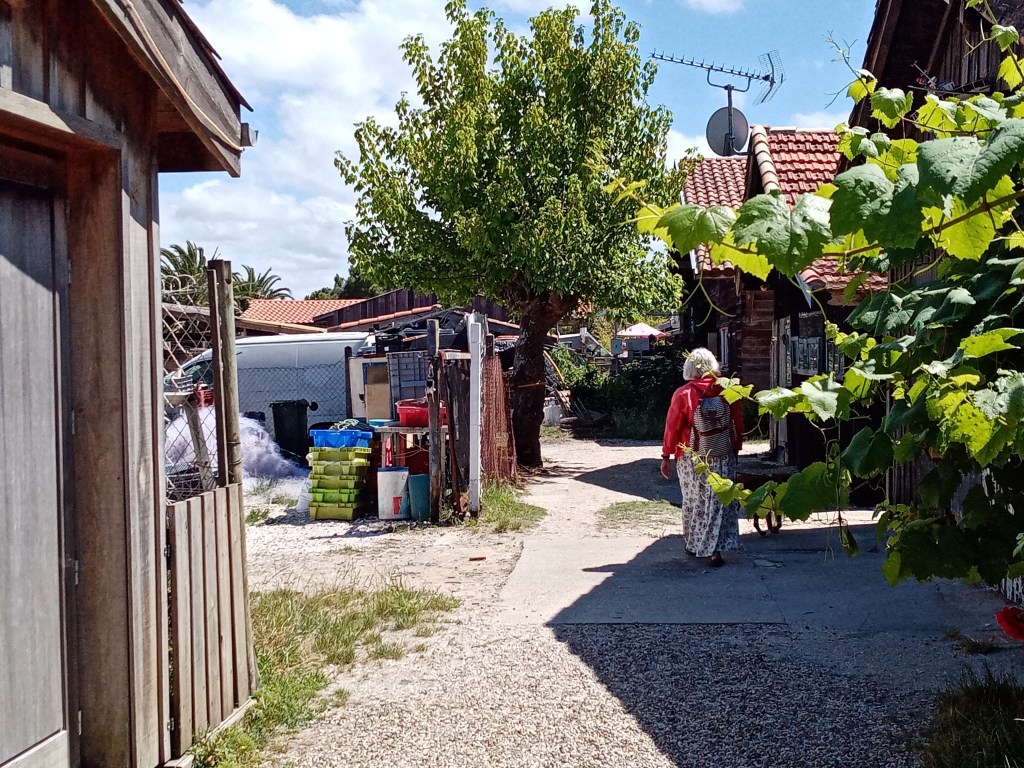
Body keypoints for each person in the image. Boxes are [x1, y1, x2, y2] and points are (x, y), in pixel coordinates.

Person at [660, 348, 744, 567]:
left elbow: (672, 427)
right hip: (722, 453)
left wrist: (666, 455)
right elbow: (737, 421)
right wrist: (736, 447)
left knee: (694, 500)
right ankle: (716, 549)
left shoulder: (683, 393)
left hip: (691, 455)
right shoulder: (728, 390)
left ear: (689, 368)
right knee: (720, 501)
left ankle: (694, 543)